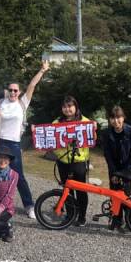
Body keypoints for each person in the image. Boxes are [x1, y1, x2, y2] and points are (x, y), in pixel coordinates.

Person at [0, 60, 49, 218]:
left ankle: (29, 205)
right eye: (10, 90)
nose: (12, 93)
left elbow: (32, 86)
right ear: (7, 91)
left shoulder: (22, 103)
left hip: (13, 143)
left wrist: (42, 71)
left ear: (19, 92)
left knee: (19, 175)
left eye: (15, 90)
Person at [103, 105, 131, 230]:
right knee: (114, 195)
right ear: (109, 119)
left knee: (124, 196)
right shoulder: (107, 133)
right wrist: (115, 173)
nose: (116, 121)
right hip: (115, 169)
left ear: (123, 117)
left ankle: (130, 223)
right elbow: (108, 155)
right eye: (113, 118)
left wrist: (124, 173)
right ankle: (116, 220)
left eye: (118, 117)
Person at [52, 96, 92, 226]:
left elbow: (92, 140)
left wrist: (94, 129)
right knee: (67, 189)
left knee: (81, 189)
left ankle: (82, 216)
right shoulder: (56, 123)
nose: (67, 109)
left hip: (79, 161)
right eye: (64, 106)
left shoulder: (85, 121)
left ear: (76, 107)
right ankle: (70, 215)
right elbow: (50, 140)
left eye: (70, 106)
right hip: (63, 161)